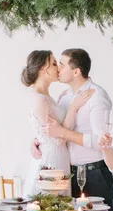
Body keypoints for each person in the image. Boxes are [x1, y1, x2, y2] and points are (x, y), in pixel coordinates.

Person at [32, 48, 113, 211]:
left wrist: (63, 134)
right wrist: (37, 141)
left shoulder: (96, 96)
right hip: (68, 175)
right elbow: (53, 127)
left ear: (76, 71)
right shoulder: (65, 97)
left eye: (61, 65)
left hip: (94, 175)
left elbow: (101, 143)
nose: (58, 69)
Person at [22, 50, 94, 196]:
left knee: (58, 209)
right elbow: (59, 140)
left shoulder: (47, 97)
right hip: (52, 160)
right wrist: (73, 107)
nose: (58, 68)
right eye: (54, 64)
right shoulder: (40, 100)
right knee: (51, 208)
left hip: (59, 156)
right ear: (43, 69)